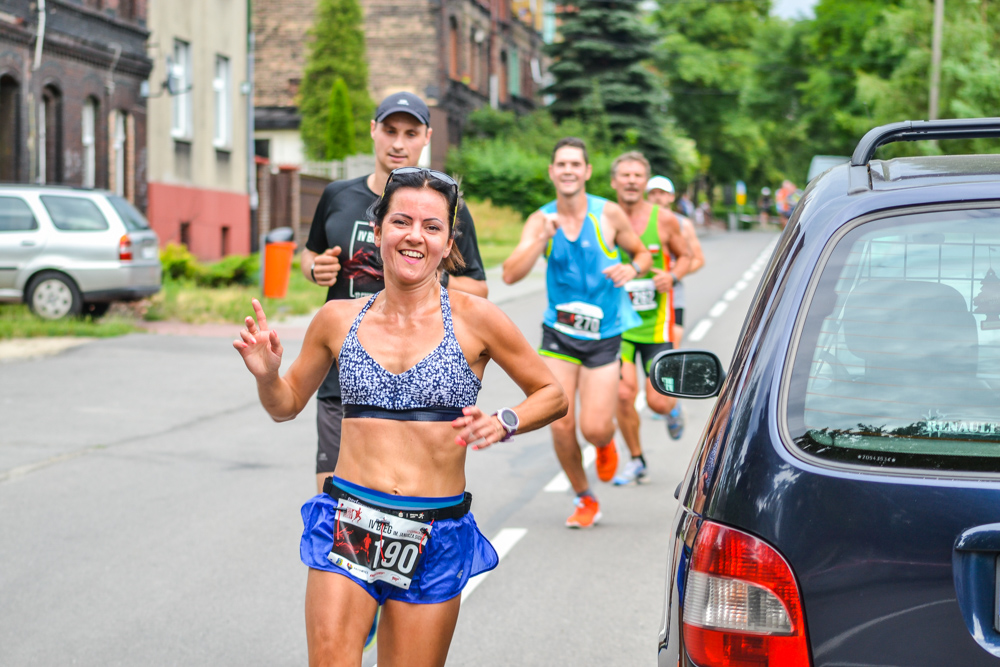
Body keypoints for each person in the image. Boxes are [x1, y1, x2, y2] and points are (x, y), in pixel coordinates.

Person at [234, 168, 567, 667]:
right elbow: (285, 405)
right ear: (379, 229)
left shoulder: (476, 318)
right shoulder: (338, 318)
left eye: (432, 227)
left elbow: (552, 393)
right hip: (351, 520)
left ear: (447, 241)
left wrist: (505, 420)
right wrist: (267, 375)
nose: (415, 236)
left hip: (434, 532)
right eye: (402, 221)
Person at [301, 92, 488, 496]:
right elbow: (310, 254)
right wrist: (315, 269)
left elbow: (477, 284)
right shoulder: (338, 195)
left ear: (427, 138)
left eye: (410, 132)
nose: (399, 143)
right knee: (333, 507)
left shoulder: (446, 206)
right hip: (344, 375)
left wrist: (418, 280)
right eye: (389, 131)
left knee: (403, 503)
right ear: (373, 131)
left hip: (414, 372)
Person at [502, 137, 651, 528]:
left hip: (604, 335)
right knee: (560, 420)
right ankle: (585, 497)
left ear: (586, 172)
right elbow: (510, 275)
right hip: (559, 334)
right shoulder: (541, 220)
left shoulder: (609, 214)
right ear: (552, 172)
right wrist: (540, 238)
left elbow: (642, 254)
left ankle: (604, 444)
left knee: (595, 427)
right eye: (561, 164)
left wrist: (631, 270)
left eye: (575, 164)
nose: (568, 170)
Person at [609, 161, 694, 486]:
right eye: (625, 175)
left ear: (645, 182)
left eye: (637, 176)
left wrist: (672, 276)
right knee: (623, 393)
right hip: (619, 324)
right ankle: (636, 459)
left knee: (657, 399)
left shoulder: (665, 219)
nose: (631, 181)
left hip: (656, 323)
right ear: (615, 181)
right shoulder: (604, 217)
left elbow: (685, 256)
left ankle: (671, 410)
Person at [646, 175, 705, 347]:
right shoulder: (637, 222)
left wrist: (676, 271)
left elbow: (698, 260)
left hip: (673, 294)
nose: (657, 197)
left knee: (671, 349)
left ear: (671, 196)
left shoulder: (682, 224)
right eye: (653, 193)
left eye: (662, 193)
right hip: (642, 294)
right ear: (647, 196)